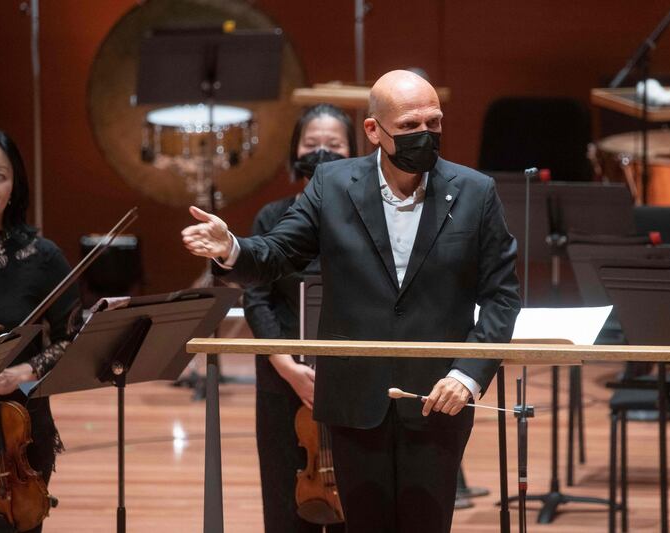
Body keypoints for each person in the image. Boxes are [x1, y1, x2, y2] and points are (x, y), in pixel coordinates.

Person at [182, 70, 521, 533]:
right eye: (408, 127)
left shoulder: (476, 192)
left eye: (434, 123)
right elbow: (279, 253)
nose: (425, 135)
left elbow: (502, 296)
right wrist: (231, 248)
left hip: (438, 397)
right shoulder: (332, 184)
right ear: (373, 130)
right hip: (353, 398)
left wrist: (467, 374)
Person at [244, 104, 355, 533]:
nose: (322, 152)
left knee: (355, 504)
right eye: (311, 144)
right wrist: (287, 366)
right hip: (282, 379)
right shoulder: (272, 218)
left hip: (352, 382)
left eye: (334, 145)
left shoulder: (369, 221)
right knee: (284, 503)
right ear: (295, 151)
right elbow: (256, 298)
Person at [0, 123, 81, 533]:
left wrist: (25, 372)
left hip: (21, 433)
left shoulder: (42, 257)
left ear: (15, 184)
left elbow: (74, 336)